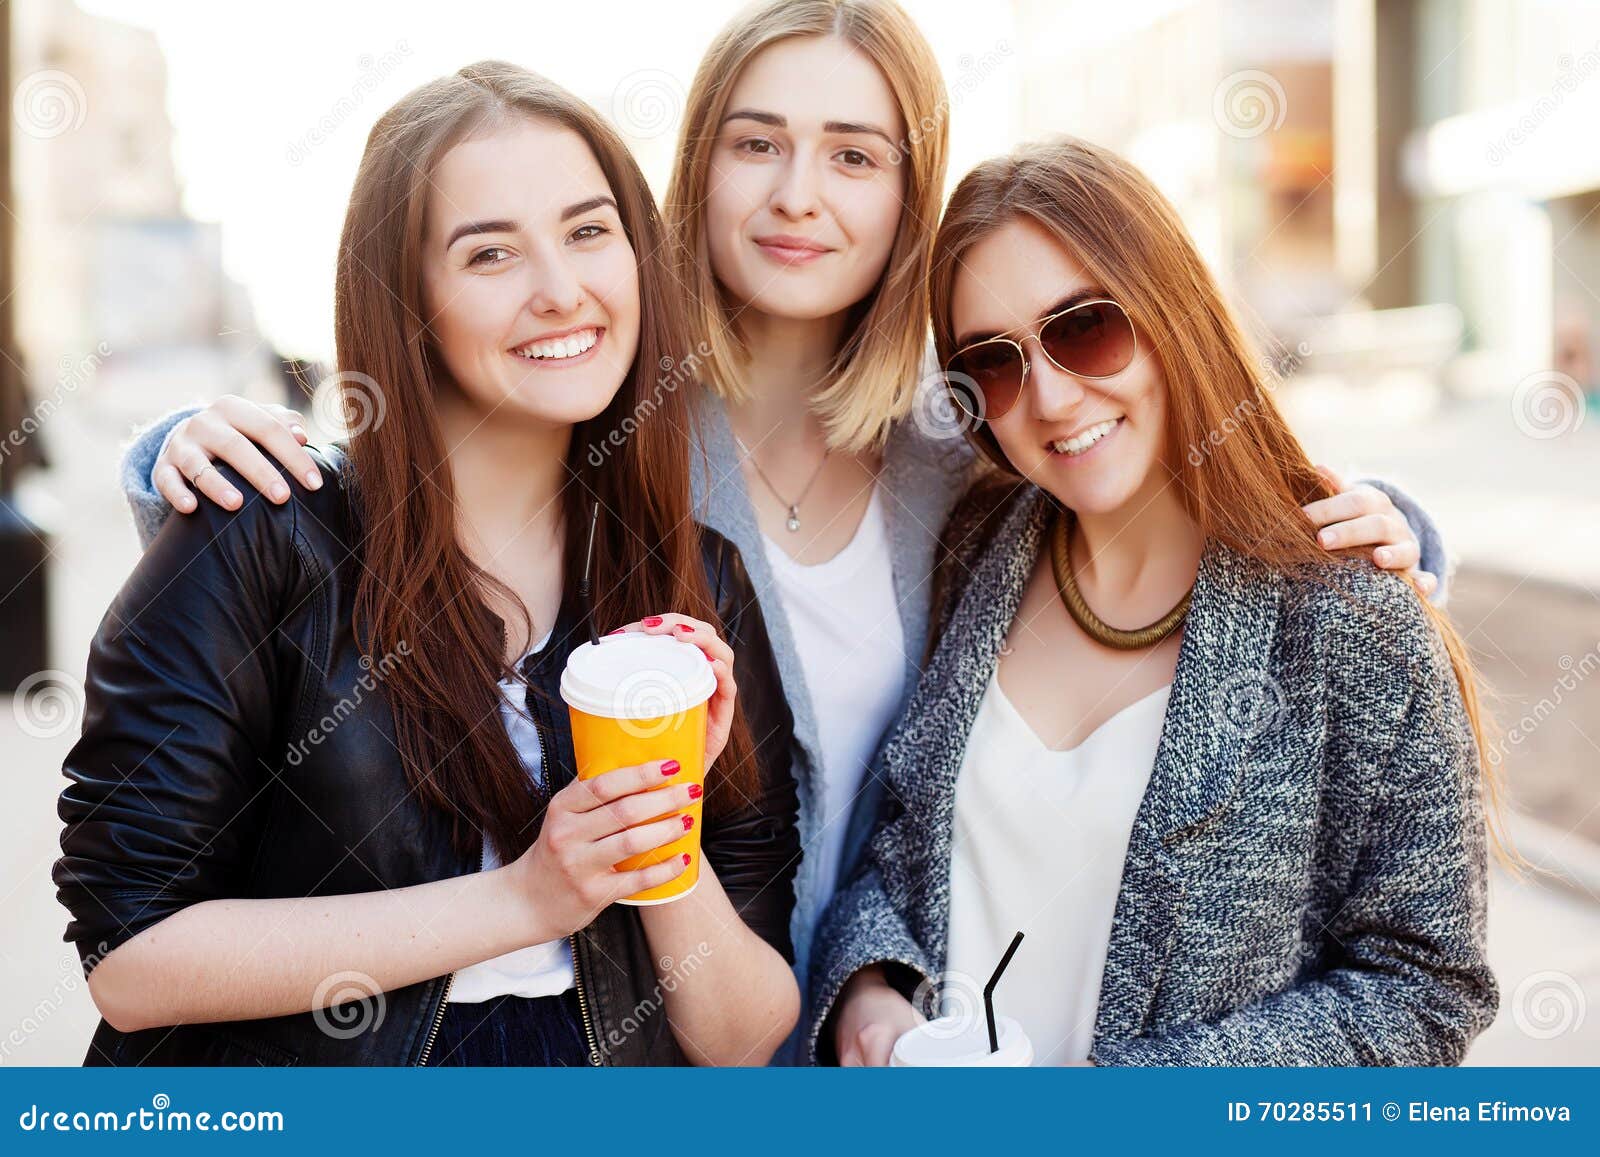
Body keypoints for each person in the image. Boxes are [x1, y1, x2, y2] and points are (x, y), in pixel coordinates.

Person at [104, 0, 1445, 1060]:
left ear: (906, 194)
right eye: (758, 142)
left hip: (879, 1042)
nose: (801, 193)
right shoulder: (605, 429)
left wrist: (1398, 535)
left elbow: (1154, 459)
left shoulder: (969, 447)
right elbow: (408, 491)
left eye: (855, 154)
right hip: (656, 1045)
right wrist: (172, 452)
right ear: (695, 171)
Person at [55, 62, 800, 1067]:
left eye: (588, 231)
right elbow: (132, 959)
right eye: (490, 253)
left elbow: (742, 1036)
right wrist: (525, 896)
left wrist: (659, 834)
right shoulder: (264, 533)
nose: (560, 289)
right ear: (407, 302)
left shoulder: (695, 582)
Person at [812, 138, 1502, 1067]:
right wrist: (868, 985)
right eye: (998, 363)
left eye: (1084, 326)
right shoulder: (975, 552)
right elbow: (902, 845)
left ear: (1171, 308)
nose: (1052, 397)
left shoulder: (1353, 618)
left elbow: (1423, 989)